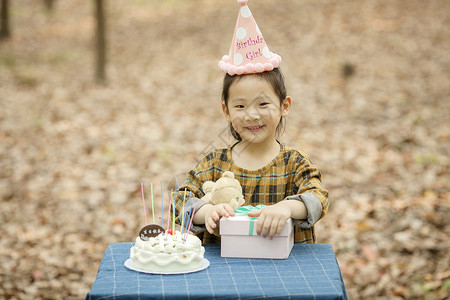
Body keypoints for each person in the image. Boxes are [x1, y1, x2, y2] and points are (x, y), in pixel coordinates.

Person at [175, 0, 328, 244]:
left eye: (263, 104)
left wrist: (287, 208)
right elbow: (181, 200)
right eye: (240, 106)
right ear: (226, 111)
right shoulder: (215, 163)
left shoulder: (294, 163)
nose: (252, 115)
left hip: (283, 266)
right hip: (226, 267)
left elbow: (318, 197)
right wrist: (206, 212)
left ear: (284, 106)